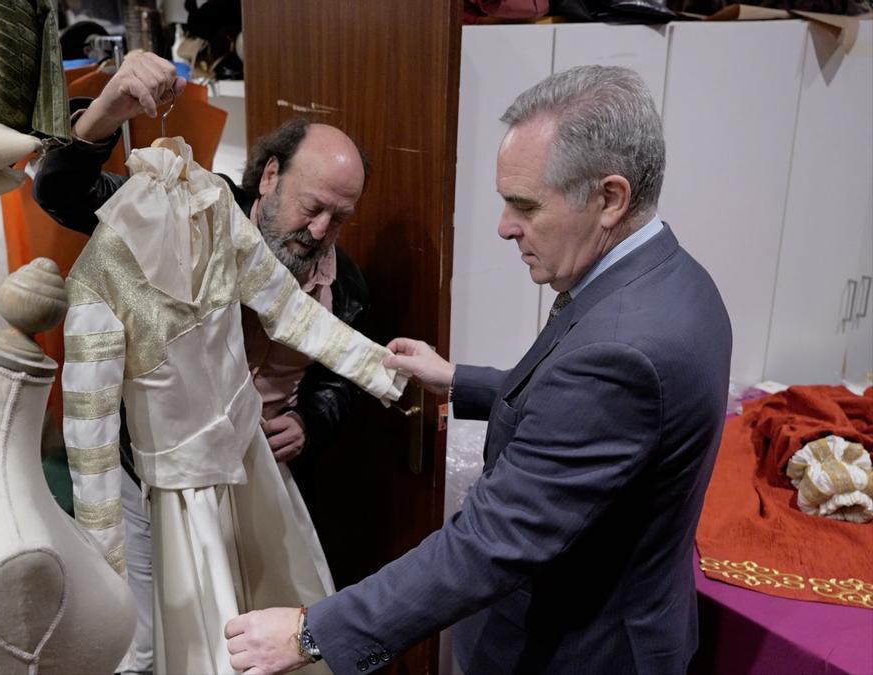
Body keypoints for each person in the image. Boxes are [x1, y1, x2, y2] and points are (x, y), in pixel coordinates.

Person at [223, 65, 733, 675]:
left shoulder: (621, 352)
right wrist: (460, 380)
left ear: (609, 199)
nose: (504, 227)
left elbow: (493, 541)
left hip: (576, 652)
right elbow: (580, 411)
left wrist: (312, 632)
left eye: (525, 205)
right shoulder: (677, 280)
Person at [32, 51, 375, 674]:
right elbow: (62, 190)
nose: (321, 230)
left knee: (269, 622)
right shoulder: (181, 215)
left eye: (340, 218)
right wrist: (106, 112)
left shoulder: (344, 284)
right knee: (149, 637)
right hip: (157, 474)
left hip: (262, 474)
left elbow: (338, 375)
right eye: (312, 206)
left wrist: (312, 421)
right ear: (270, 177)